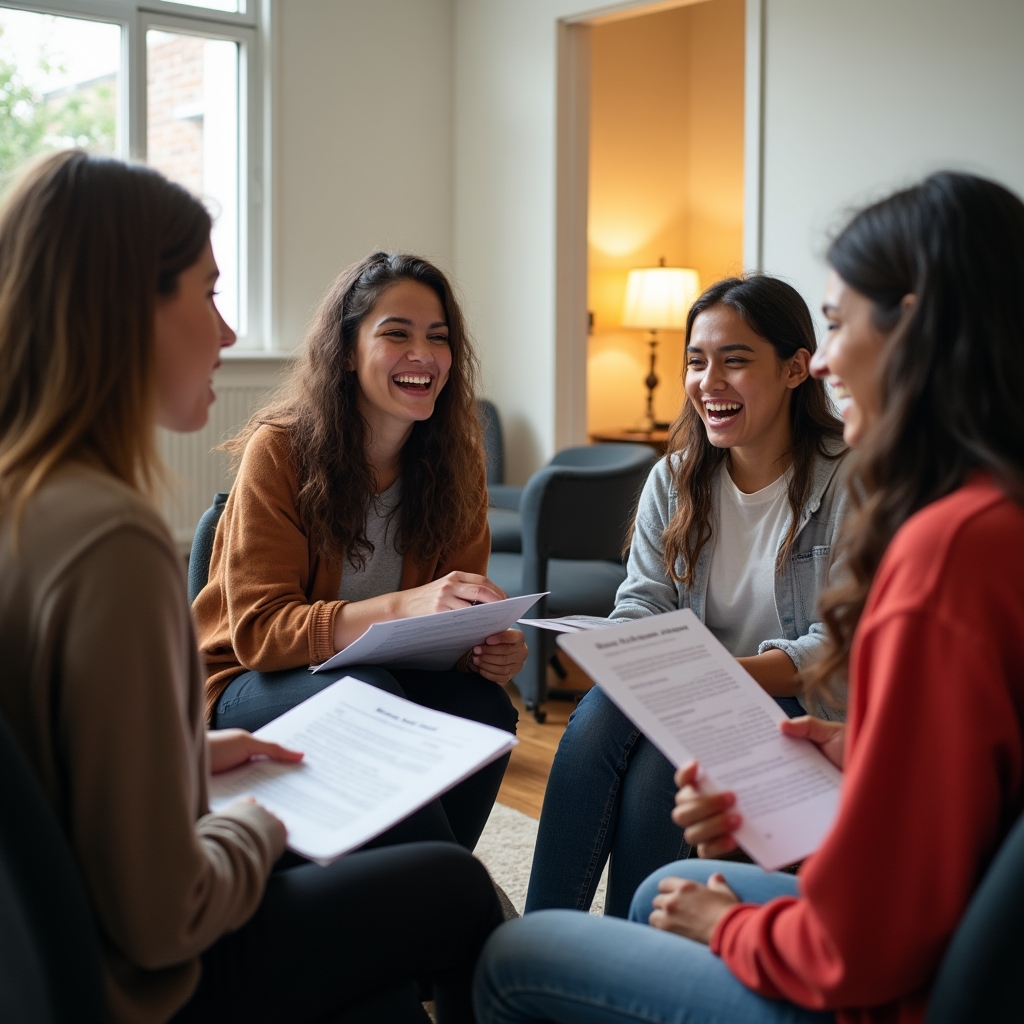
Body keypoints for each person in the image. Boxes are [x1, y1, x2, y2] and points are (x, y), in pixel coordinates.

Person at [474, 170, 1024, 1024]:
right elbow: (966, 773)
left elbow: (866, 938)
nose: (835, 360)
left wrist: (734, 930)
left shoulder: (930, 543)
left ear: (917, 329)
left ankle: (583, 964)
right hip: (912, 932)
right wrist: (856, 744)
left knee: (515, 959)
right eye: (697, 360)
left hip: (877, 984)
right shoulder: (989, 516)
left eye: (839, 326)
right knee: (641, 799)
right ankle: (604, 950)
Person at [0, 150, 503, 1024]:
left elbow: (46, 770)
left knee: (397, 902)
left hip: (47, 957)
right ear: (123, 311)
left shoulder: (30, 501)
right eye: (208, 293)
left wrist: (188, 766)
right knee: (453, 886)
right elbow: (165, 918)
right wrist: (265, 825)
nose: (229, 334)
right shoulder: (114, 540)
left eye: (438, 339)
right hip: (140, 981)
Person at [526, 275, 849, 917]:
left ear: (795, 369)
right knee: (604, 711)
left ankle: (622, 957)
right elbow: (643, 601)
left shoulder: (851, 478)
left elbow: (839, 642)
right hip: (694, 693)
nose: (709, 382)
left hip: (799, 704)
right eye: (696, 363)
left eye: (735, 360)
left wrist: (717, 678)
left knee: (658, 773)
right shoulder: (674, 479)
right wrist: (627, 652)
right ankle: (544, 940)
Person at [193, 251, 525, 852]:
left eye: (439, 337)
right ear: (346, 352)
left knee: (484, 706)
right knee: (366, 693)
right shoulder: (282, 448)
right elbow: (260, 633)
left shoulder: (458, 461)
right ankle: (440, 896)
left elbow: (443, 628)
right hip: (248, 682)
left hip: (381, 677)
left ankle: (431, 880)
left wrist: (481, 650)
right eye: (396, 333)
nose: (423, 354)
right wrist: (402, 607)